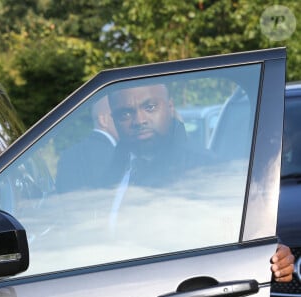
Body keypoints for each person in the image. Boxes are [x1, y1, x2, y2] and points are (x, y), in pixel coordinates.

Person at [106, 82, 294, 282]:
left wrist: (277, 256)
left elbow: (254, 233)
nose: (139, 120)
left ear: (170, 108)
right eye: (125, 114)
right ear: (113, 120)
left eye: (150, 107)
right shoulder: (105, 175)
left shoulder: (208, 169)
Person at [55, 95, 118, 193]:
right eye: (119, 114)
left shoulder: (70, 153)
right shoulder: (117, 156)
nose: (124, 120)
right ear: (103, 120)